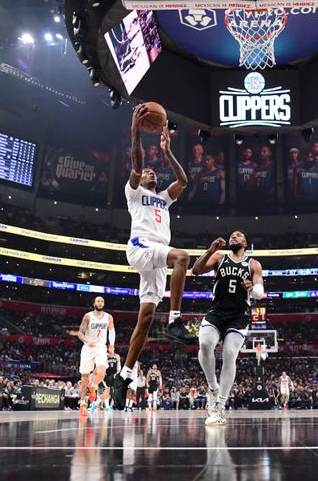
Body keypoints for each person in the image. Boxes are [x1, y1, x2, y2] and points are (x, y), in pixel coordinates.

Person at [115, 104, 195, 411]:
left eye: (153, 171)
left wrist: (168, 152)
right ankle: (176, 321)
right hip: (141, 247)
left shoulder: (163, 199)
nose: (150, 172)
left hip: (156, 259)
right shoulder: (134, 192)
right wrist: (135, 132)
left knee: (145, 320)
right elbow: (137, 163)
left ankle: (123, 376)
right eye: (148, 171)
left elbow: (184, 181)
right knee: (183, 257)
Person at [191, 230, 264, 426]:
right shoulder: (218, 257)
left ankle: (220, 406)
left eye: (239, 235)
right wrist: (210, 249)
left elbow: (259, 291)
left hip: (239, 316)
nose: (234, 237)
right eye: (232, 235)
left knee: (230, 353)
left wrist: (252, 288)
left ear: (246, 244)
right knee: (205, 344)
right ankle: (213, 389)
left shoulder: (253, 264)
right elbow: (195, 270)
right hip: (217, 311)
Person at [76, 296, 115, 414]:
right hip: (88, 347)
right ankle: (83, 404)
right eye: (98, 301)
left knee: (102, 372)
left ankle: (93, 386)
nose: (100, 302)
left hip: (101, 348)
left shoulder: (108, 317)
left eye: (102, 301)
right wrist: (87, 341)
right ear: (94, 303)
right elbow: (80, 333)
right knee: (84, 378)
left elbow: (112, 331)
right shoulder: (88, 316)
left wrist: (112, 345)